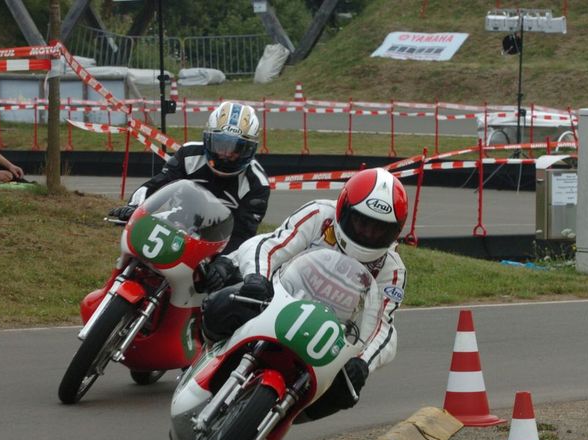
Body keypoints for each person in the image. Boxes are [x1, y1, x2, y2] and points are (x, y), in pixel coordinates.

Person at [203, 166, 409, 423]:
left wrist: (363, 362)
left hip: (324, 336)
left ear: (394, 231)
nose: (367, 233)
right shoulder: (319, 214)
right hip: (277, 298)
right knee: (227, 302)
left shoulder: (392, 268)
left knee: (347, 390)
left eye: (378, 229)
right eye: (361, 222)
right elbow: (269, 244)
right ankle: (204, 361)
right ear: (344, 209)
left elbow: (382, 327)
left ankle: (274, 425)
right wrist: (257, 277)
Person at [108, 101, 270, 255]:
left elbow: (243, 235)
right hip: (177, 224)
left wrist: (224, 264)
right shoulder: (189, 154)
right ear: (208, 139)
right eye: (221, 144)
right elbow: (158, 184)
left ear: (250, 149)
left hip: (221, 243)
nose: (226, 154)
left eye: (237, 148)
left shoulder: (257, 183)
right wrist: (134, 207)